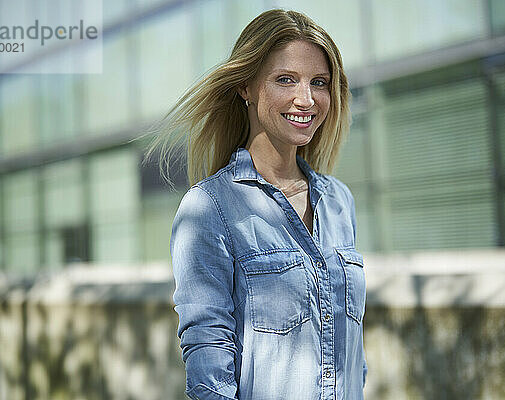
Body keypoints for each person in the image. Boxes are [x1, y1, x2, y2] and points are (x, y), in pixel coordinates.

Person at [145, 9, 367, 399]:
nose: (307, 98)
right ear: (246, 86)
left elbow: (353, 357)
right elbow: (209, 371)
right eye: (286, 79)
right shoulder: (208, 209)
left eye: (320, 82)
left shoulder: (339, 202)